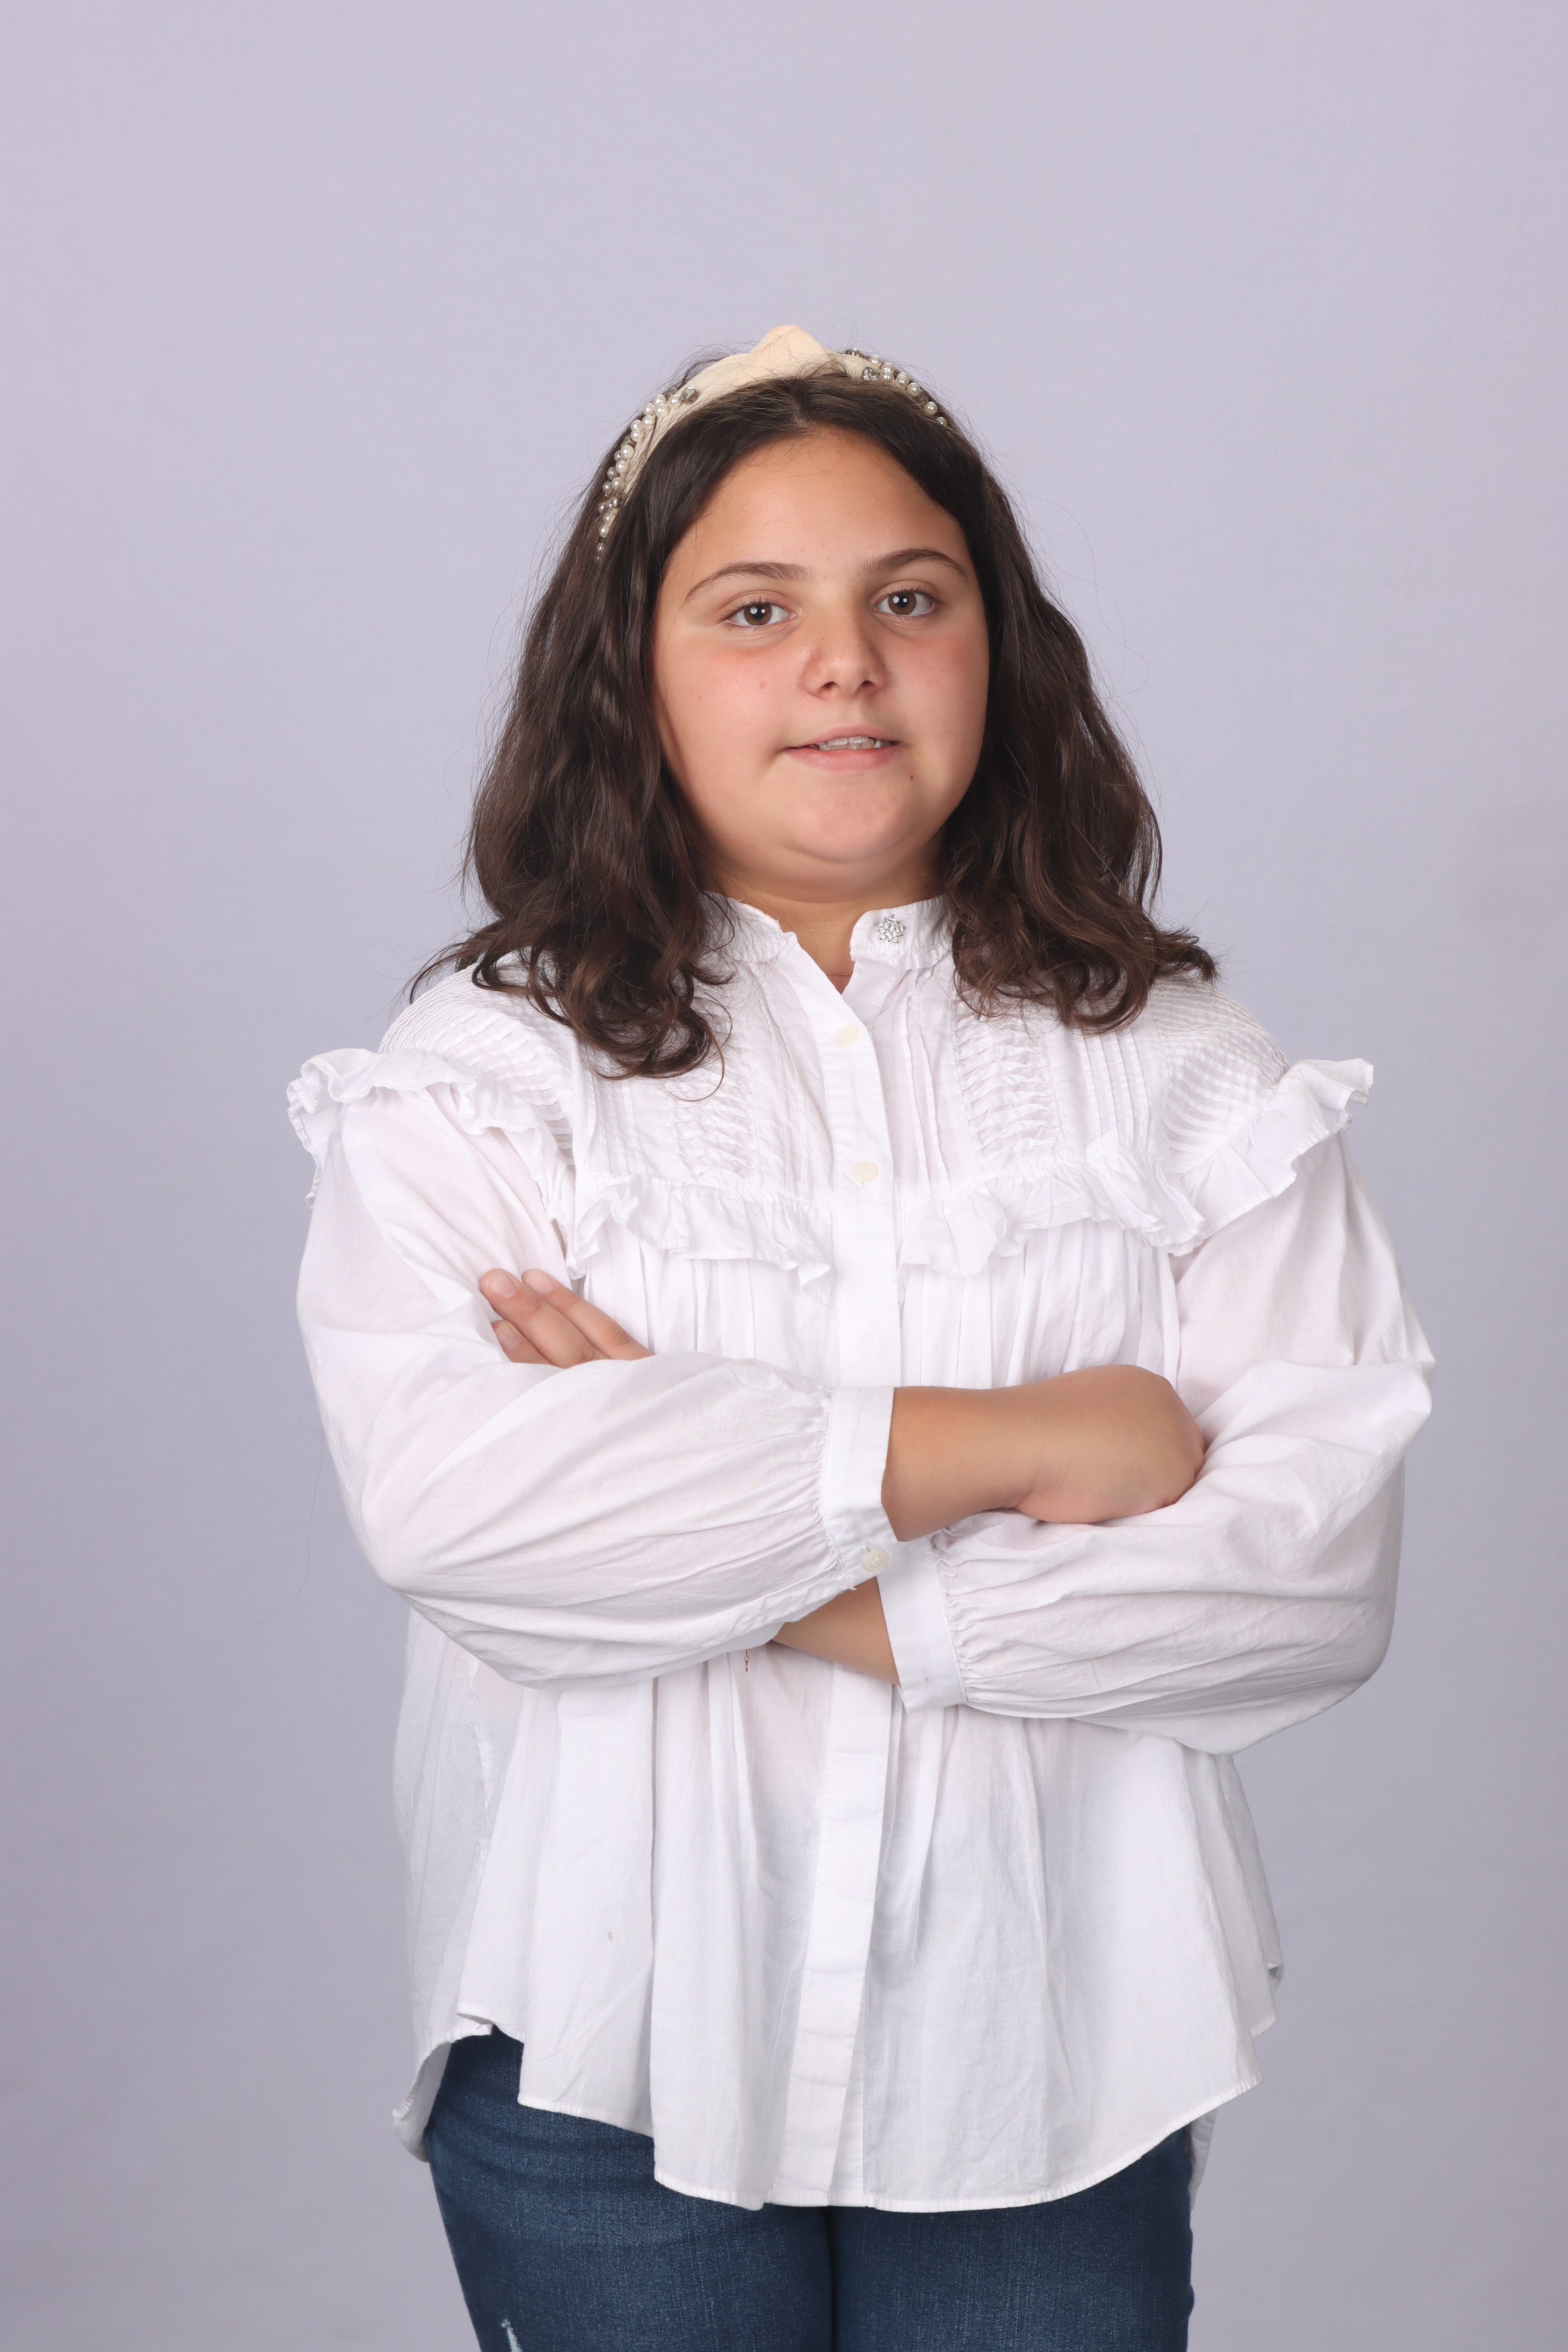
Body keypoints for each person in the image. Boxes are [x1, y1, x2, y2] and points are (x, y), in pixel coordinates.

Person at [288, 326, 1433, 2351]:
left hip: (1050, 2046)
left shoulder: (1185, 1074)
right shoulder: (488, 1074)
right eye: (755, 610)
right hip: (600, 2037)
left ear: (997, 650)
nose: (844, 665)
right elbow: (461, 1516)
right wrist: (1034, 1441)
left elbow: (1302, 1586)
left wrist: (705, 1530)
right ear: (631, 671)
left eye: (910, 599)